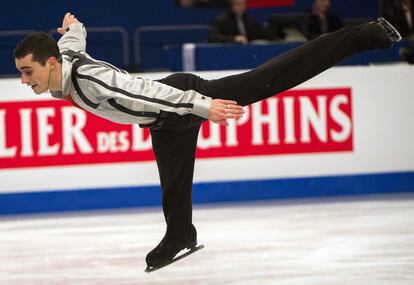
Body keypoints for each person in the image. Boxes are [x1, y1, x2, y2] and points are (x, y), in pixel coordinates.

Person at [14, 12, 401, 269]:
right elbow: (73, 44)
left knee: (269, 79)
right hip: (165, 119)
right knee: (174, 181)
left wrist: (203, 105)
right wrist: (74, 27)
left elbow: (145, 93)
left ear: (49, 65)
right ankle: (180, 233)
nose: (24, 80)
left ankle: (362, 36)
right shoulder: (63, 60)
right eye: (20, 73)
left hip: (174, 101)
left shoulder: (88, 80)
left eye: (27, 71)